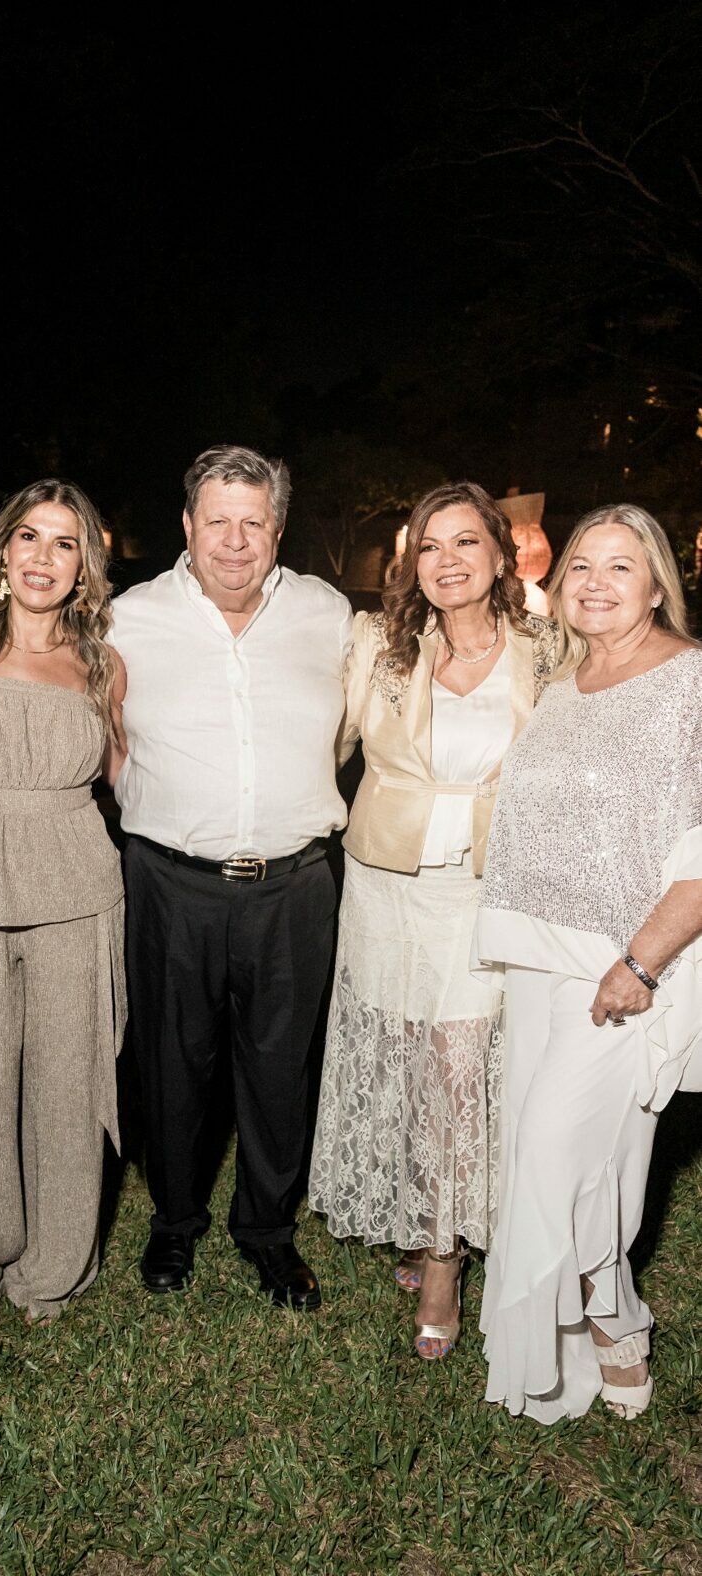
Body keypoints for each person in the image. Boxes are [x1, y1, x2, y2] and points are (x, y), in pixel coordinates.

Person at [308, 483, 557, 1358]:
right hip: (384, 886)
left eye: (465, 542)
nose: (446, 561)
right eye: (428, 546)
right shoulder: (378, 646)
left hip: (486, 890)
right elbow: (322, 741)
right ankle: (423, 1221)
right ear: (410, 562)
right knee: (408, 1056)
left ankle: (445, 1258)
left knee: (458, 1067)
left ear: (501, 555)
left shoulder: (547, 647)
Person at [108, 444, 353, 1309]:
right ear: (187, 525)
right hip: (171, 881)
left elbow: (351, 732)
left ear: (278, 530)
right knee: (172, 1062)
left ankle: (267, 1232)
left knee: (281, 1066)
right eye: (218, 521)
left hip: (295, 884)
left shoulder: (327, 613)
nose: (235, 541)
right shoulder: (129, 618)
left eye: (254, 522)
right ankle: (174, 1221)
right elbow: (97, 732)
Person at [475, 503, 702, 1423]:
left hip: (629, 970)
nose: (595, 583)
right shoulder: (564, 686)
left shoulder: (689, 682)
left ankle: (611, 1323)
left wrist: (639, 966)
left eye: (620, 567)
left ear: (655, 587)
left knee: (554, 1155)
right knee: (568, 1163)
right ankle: (591, 1324)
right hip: (538, 961)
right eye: (580, 566)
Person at [0, 479, 126, 1328]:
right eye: (30, 537)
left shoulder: (103, 664)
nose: (44, 557)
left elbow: (123, 779)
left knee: (67, 1085)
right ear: (3, 550)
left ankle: (50, 1271)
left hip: (76, 883)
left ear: (85, 566)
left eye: (64, 543)